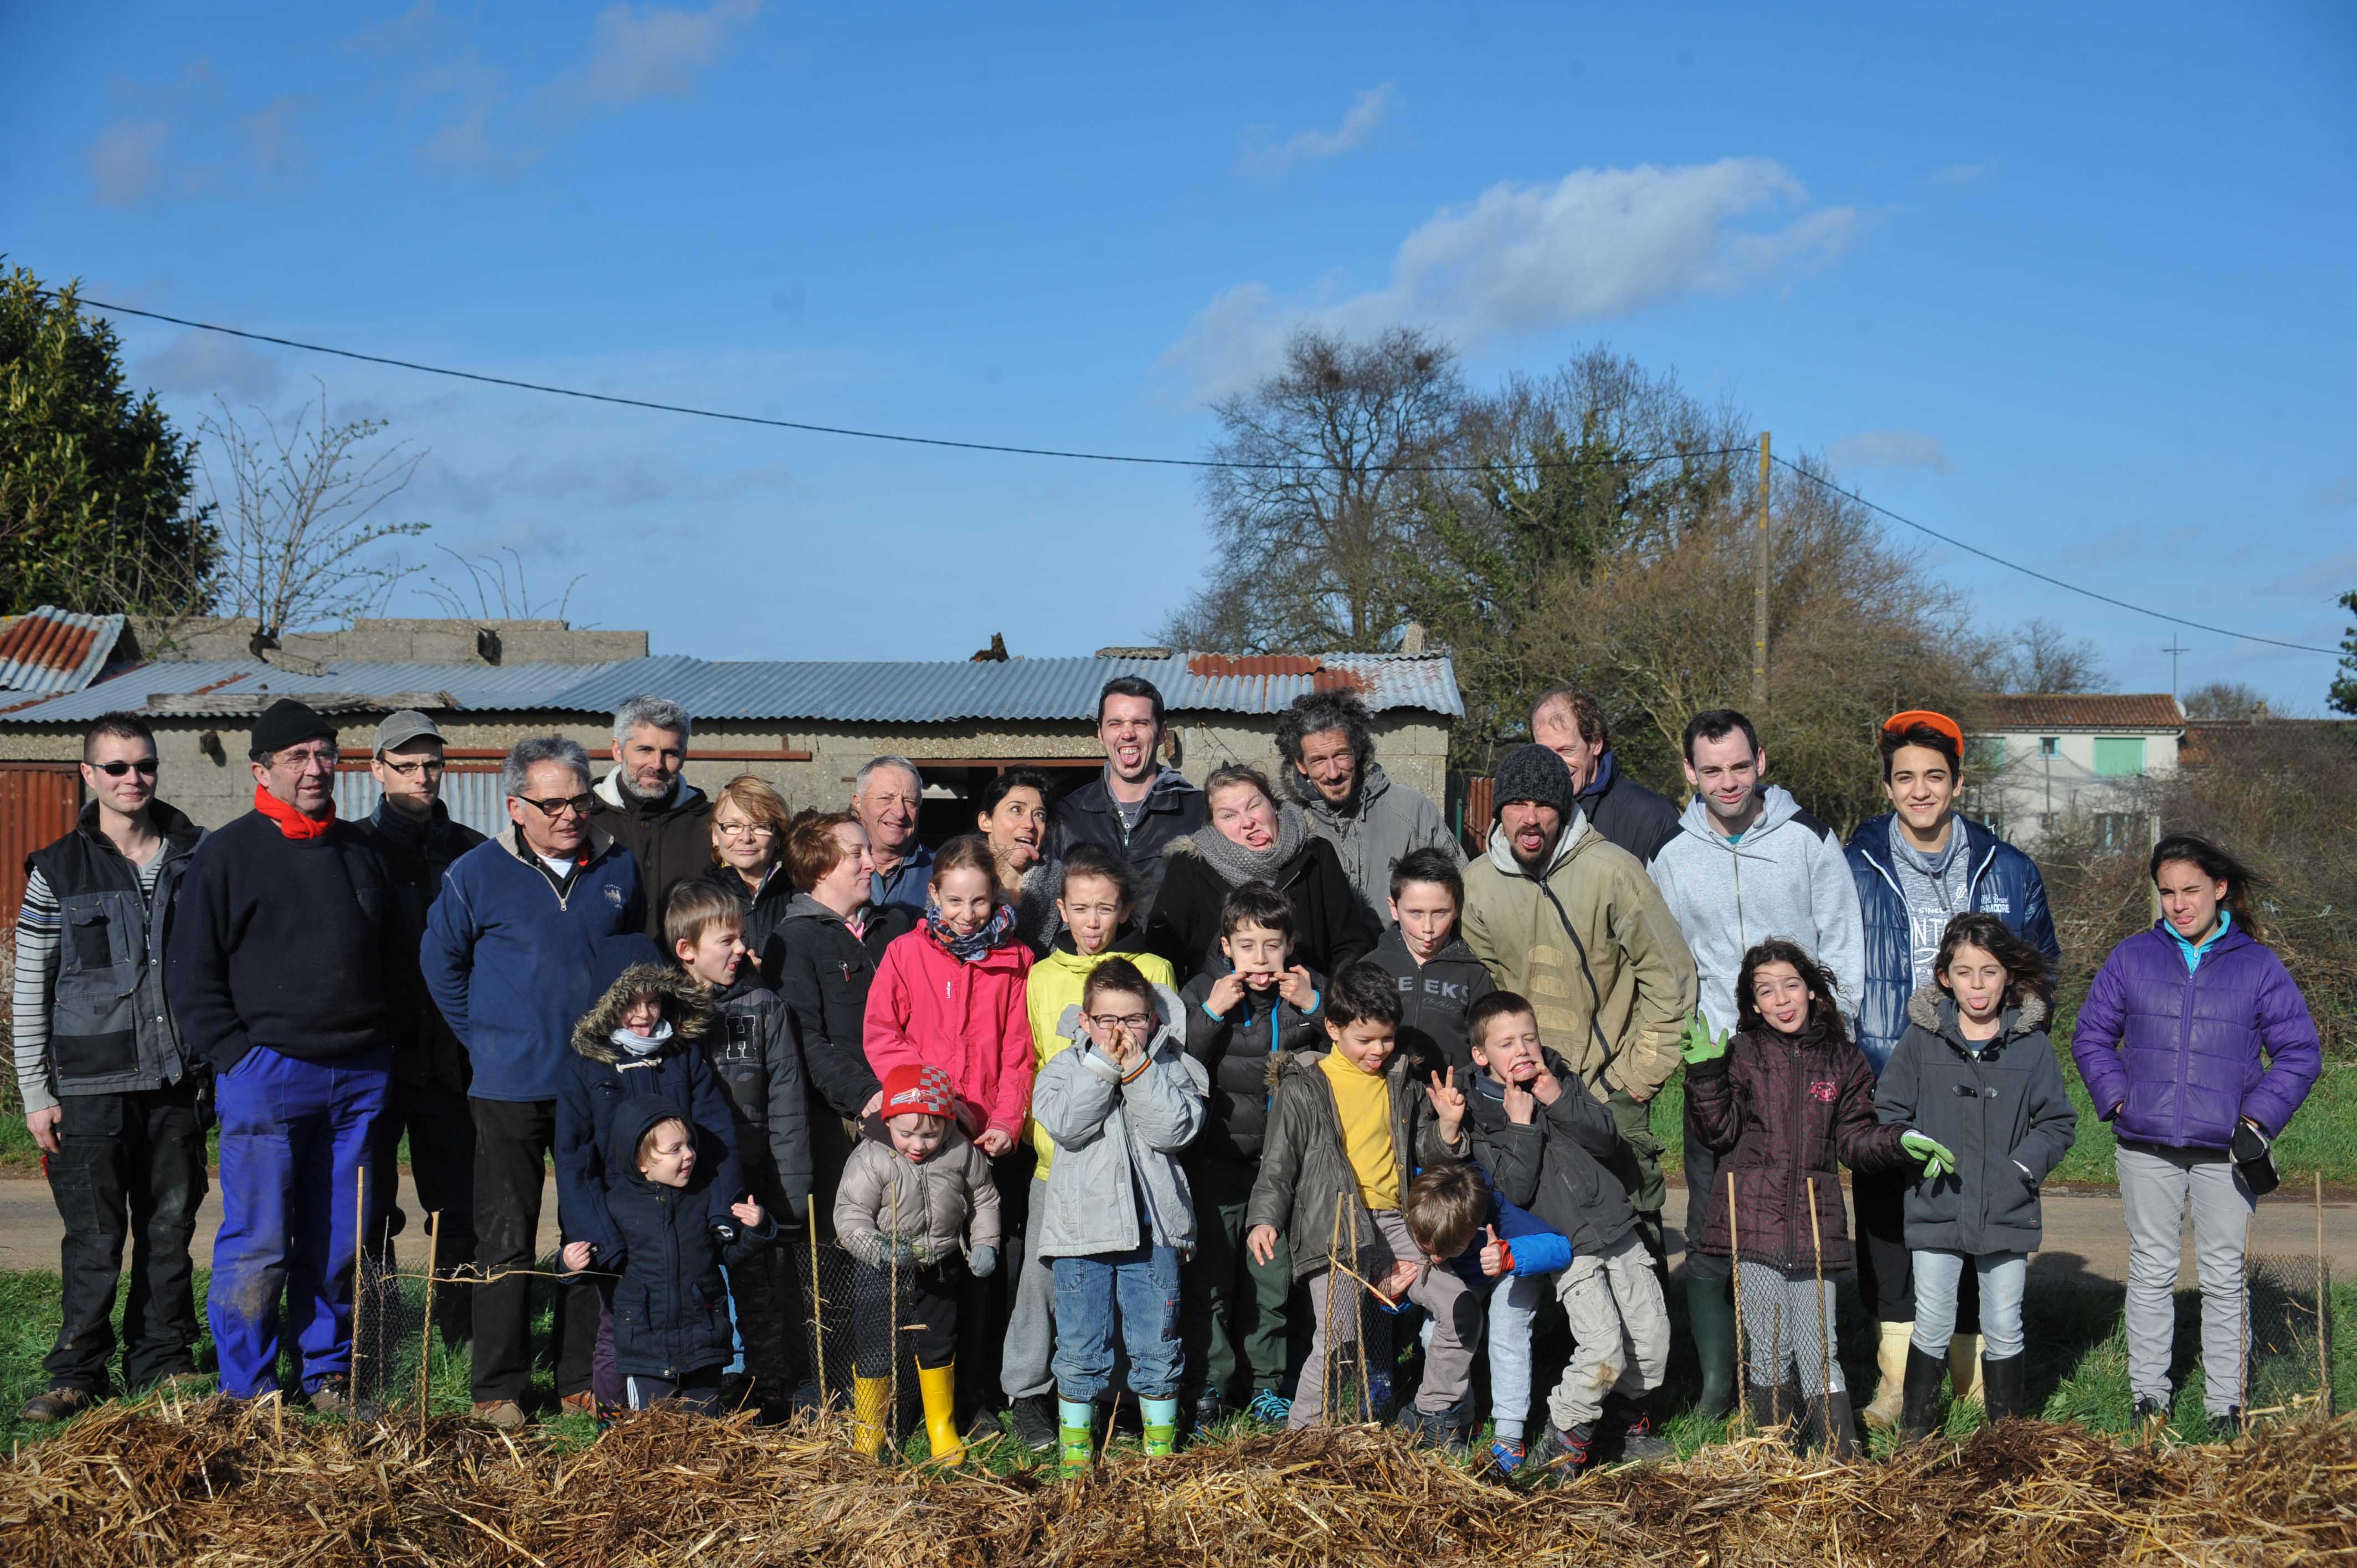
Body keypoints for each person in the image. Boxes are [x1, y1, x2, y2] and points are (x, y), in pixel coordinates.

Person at [164, 699, 395, 1416]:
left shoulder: (362, 850)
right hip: (267, 1076)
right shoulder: (227, 855)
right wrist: (237, 1057)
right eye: (296, 757)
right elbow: (190, 974)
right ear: (262, 769)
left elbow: (394, 956)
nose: (315, 768)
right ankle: (249, 1387)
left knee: (336, 1238)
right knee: (260, 1239)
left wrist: (382, 1046)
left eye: (325, 753)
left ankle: (326, 1372)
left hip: (359, 1076)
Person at [421, 734, 655, 1429]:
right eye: (550, 803)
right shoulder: (474, 874)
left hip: (594, 1085)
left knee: (592, 1229)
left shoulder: (618, 867)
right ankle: (499, 1385)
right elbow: (443, 968)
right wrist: (487, 1039)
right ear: (515, 806)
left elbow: (630, 961)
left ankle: (582, 1375)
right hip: (507, 1087)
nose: (568, 814)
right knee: (506, 1236)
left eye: (579, 800)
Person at [1646, 708, 1862, 1420]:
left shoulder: (1807, 841)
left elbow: (1840, 942)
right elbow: (1667, 960)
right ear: (1689, 774)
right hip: (1723, 1068)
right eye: (1711, 771)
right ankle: (1726, 1384)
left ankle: (1811, 1378)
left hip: (1802, 1065)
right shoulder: (1673, 857)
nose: (1727, 781)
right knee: (1718, 1225)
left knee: (1800, 1224)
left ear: (1760, 762)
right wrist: (1694, 1046)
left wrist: (1834, 1036)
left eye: (1739, 766)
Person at [1845, 710, 2060, 1425]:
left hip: (1985, 1069)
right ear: (1888, 787)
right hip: (1889, 1063)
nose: (1920, 790)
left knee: (1979, 1207)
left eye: (1934, 776)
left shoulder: (2010, 869)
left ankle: (1972, 1373)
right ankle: (1896, 1378)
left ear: (1958, 783)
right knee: (1892, 1229)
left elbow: (2043, 967)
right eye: (1905, 777)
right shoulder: (1854, 863)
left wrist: (2023, 1025)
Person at [2070, 833, 2320, 1432]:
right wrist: (2119, 1100)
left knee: (2222, 1275)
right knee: (2151, 1270)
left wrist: (2255, 1120)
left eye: (2189, 890)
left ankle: (2223, 1405)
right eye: (2166, 893)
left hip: (2224, 1152)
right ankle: (2147, 1397)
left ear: (2218, 888)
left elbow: (2298, 1051)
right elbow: (2090, 1037)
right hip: (2143, 1146)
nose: (2178, 904)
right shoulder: (2131, 957)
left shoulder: (2257, 966)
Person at [13, 713, 207, 1422]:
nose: (134, 780)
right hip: (87, 1088)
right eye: (117, 768)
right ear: (89, 775)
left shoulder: (196, 856)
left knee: (171, 1229)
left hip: (176, 1082)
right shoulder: (58, 869)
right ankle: (76, 1371)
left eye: (145, 766)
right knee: (95, 1238)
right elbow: (31, 984)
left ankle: (162, 1359)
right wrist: (37, 1091)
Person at [1681, 940, 1922, 1456]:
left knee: (1821, 1349)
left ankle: (1838, 1457)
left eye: (1791, 985)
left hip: (1816, 1223)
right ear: (1752, 1005)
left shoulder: (1843, 1061)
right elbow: (1719, 1134)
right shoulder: (1741, 1055)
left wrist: (1897, 1139)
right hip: (1754, 1221)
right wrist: (1705, 1078)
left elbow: (1856, 1139)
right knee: (1769, 1351)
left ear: (1812, 990)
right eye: (1766, 991)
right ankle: (1775, 1455)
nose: (1782, 1000)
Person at [1459, 744, 1695, 1262]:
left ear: (1563, 809)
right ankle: (1555, 1345)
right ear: (1498, 810)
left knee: (1634, 1226)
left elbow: (1671, 982)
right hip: (1524, 1089)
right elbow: (1486, 995)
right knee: (1538, 1220)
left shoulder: (1613, 871)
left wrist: (1632, 1079)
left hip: (1609, 1085)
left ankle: (1645, 1344)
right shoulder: (1477, 885)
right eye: (1516, 803)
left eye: (1543, 804)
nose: (1530, 817)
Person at [1244, 961, 1475, 1440]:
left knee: (1459, 1307)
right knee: (1339, 1341)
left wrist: (1448, 1128)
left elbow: (1422, 1153)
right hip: (1335, 1225)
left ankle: (1431, 1415)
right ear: (1333, 1028)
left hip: (1395, 1222)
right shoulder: (1304, 1086)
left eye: (1387, 1039)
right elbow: (1278, 1166)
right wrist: (1265, 1219)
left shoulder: (1401, 1082)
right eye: (1364, 1040)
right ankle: (1302, 1440)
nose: (1378, 1051)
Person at [1001, 844, 1178, 1451]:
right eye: (1080, 909)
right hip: (1064, 1161)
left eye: (1105, 908)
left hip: (1134, 1164)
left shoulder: (1153, 970)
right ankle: (1027, 1394)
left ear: (1124, 909)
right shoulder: (1042, 976)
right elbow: (1031, 1058)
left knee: (1135, 1287)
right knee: (1046, 1285)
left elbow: (1167, 1057)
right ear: (1061, 911)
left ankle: (1124, 1401)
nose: (1094, 921)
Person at [1874, 912, 2078, 1438]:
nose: (1978, 985)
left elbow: (2058, 1121)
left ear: (2007, 975)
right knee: (1934, 1320)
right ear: (1946, 978)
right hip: (1936, 1203)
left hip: (2007, 1207)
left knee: (2004, 1321)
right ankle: (1916, 1435)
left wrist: (2021, 1168)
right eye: (1965, 973)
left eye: (1989, 971)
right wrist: (1909, 1144)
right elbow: (1889, 1110)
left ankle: (2005, 1437)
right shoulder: (1923, 1040)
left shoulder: (2030, 1045)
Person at [1457, 990, 1670, 1474]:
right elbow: (1516, 1187)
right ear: (1481, 1055)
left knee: (1652, 1335)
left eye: (1529, 1038)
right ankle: (1564, 1440)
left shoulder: (1561, 1080)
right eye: (1507, 1043)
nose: (1523, 1051)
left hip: (1614, 1223)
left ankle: (1621, 1426)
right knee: (1603, 1345)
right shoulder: (1484, 1114)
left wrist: (1555, 1096)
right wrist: (1522, 1124)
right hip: (1567, 1242)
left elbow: (1606, 1138)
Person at [863, 832, 1036, 1425]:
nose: (967, 916)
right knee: (923, 1274)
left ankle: (978, 1396)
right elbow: (884, 1037)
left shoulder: (1016, 962)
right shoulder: (905, 956)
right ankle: (913, 1400)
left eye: (979, 903)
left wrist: (1008, 1121)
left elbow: (1020, 1055)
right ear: (932, 895)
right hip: (924, 1138)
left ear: (995, 900)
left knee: (982, 1272)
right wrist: (933, 1105)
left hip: (985, 1140)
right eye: (955, 902)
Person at [1030, 957, 1208, 1469]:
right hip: (1080, 1237)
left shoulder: (1176, 1066)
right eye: (1106, 1020)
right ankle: (1076, 1458)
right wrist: (1102, 1070)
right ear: (1085, 1022)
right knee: (1080, 1348)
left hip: (1155, 1236)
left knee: (1157, 1346)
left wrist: (1140, 1072)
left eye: (1132, 1019)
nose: (1119, 1031)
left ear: (1152, 1019)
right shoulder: (1064, 1068)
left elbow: (1173, 1132)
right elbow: (1066, 1124)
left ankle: (1159, 1455)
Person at [770, 809, 917, 1406]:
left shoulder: (895, 928)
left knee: (902, 1253)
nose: (868, 861)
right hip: (844, 1125)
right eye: (853, 853)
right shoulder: (794, 939)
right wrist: (867, 1096)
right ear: (817, 868)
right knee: (841, 1259)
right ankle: (838, 1386)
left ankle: (901, 1385)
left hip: (909, 1119)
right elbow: (807, 1038)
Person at [555, 961, 744, 1411]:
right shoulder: (587, 1068)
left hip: (685, 1214)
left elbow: (719, 1140)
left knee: (690, 1310)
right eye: (629, 1004)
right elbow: (575, 1160)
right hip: (617, 1221)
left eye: (653, 1001)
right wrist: (602, 1239)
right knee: (616, 1325)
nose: (643, 1014)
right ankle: (614, 1419)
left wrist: (721, 1214)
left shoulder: (681, 1056)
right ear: (607, 1006)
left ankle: (689, 1410)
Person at [351, 710, 485, 1343]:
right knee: (368, 1200)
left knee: (457, 1200)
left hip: (452, 1056)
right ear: (377, 769)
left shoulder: (472, 852)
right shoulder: (351, 849)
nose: (422, 776)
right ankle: (376, 1324)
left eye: (432, 763)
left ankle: (456, 1325)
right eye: (406, 765)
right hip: (373, 1055)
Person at [1178, 881, 1322, 1431]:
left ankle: (1265, 1384)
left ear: (1289, 945)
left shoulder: (1303, 996)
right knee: (1212, 1282)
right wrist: (1211, 1014)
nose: (1260, 959)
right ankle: (1211, 1383)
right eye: (1247, 945)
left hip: (1277, 1170)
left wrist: (1313, 1004)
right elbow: (1176, 1060)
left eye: (1271, 944)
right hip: (1214, 1163)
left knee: (1270, 1281)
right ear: (1226, 946)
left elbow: (1351, 1038)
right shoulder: (1203, 991)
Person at [667, 878, 813, 1416]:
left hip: (747, 1179)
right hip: (684, 1181)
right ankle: (701, 1388)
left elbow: (788, 1110)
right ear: (686, 951)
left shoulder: (765, 1009)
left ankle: (767, 1392)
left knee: (757, 1292)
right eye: (725, 941)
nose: (741, 950)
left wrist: (790, 1197)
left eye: (741, 937)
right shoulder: (663, 1012)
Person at [558, 1097, 773, 1416]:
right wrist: (568, 1264)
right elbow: (601, 1269)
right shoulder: (615, 1208)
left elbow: (729, 1254)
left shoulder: (704, 1198)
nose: (689, 1155)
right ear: (641, 1161)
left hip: (704, 1343)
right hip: (646, 1347)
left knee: (703, 1433)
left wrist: (757, 1228)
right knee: (652, 1433)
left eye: (689, 1145)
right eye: (674, 1150)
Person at [833, 1062, 1003, 1464]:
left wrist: (985, 1243)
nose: (918, 1144)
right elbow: (850, 1215)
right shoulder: (872, 1157)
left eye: (930, 1134)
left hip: (938, 1267)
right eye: (906, 1132)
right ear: (887, 1119)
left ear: (947, 1123)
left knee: (938, 1344)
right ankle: (869, 1430)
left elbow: (984, 1199)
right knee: (876, 1349)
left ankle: (940, 1427)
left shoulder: (961, 1150)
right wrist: (880, 1249)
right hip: (881, 1270)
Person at [1397, 1158, 1568, 1477]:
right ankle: (1461, 1416)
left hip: (1507, 1264)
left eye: (1445, 1251)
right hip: (1466, 1276)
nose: (1434, 1258)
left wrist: (1510, 1255)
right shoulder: (1426, 1202)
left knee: (1507, 1328)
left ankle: (1509, 1436)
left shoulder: (1498, 1214)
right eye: (1428, 1250)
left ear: (1473, 1229)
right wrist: (1397, 1298)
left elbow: (1560, 1246)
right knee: (1432, 1332)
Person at [1149, 764, 1370, 984]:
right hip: (1221, 1010)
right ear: (1213, 825)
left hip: (1307, 1005)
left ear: (1273, 805)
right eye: (1229, 816)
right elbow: (1164, 955)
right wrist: (1201, 1007)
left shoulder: (1316, 854)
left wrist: (1329, 999)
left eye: (1254, 806)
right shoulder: (1190, 867)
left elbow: (1350, 944)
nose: (1247, 823)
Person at [1275, 689, 1460, 935]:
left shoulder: (1412, 810)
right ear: (1301, 765)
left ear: (1358, 750)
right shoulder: (1286, 822)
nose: (1333, 772)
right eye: (1318, 760)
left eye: (1341, 755)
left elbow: (1457, 891)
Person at [1052, 676, 1206, 924]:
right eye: (1115, 723)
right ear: (1100, 734)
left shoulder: (1198, 811)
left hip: (1172, 962)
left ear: (1162, 733)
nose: (1128, 734)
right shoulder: (1066, 816)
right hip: (1090, 962)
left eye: (1141, 723)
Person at [588, 695, 711, 941]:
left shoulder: (711, 824)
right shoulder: (583, 822)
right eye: (645, 750)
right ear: (617, 750)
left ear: (684, 756)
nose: (657, 764)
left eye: (670, 753)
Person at [1365, 847, 1494, 1074]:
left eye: (1440, 913)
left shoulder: (1475, 974)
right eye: (1415, 913)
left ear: (1457, 909)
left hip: (1453, 1099)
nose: (1428, 928)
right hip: (1382, 1098)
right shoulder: (1370, 969)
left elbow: (1489, 1047)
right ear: (1394, 909)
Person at [1529, 684, 1679, 864]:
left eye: (1566, 751)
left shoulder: (1653, 818)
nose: (1555, 765)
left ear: (1596, 744)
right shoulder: (1523, 815)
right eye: (1545, 752)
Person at [701, 774, 796, 984]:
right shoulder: (697, 899)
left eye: (760, 826)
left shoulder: (803, 894)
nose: (746, 838)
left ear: (778, 837)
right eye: (733, 826)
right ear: (715, 836)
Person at [974, 767, 1060, 954]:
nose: (1030, 824)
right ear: (986, 822)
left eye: (1039, 815)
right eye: (1016, 810)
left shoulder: (1066, 887)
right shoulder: (953, 877)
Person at [851, 756, 933, 912]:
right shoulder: (832, 868)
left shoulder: (942, 870)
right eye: (886, 799)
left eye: (910, 801)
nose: (900, 812)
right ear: (858, 804)